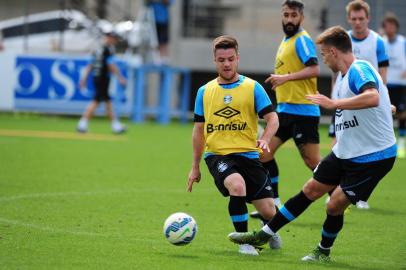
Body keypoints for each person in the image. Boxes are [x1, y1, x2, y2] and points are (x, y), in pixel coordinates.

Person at [228, 26, 397, 262]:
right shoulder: (343, 77)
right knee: (310, 190)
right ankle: (263, 235)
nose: (323, 58)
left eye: (324, 53)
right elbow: (377, 99)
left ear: (334, 52)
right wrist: (384, 108)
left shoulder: (359, 68)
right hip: (346, 152)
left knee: (334, 205)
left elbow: (373, 96)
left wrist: (333, 103)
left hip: (373, 156)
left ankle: (323, 251)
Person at [187, 35, 282, 255]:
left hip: (249, 155)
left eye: (230, 59)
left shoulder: (253, 87)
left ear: (237, 58)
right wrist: (195, 166)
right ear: (215, 61)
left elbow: (273, 119)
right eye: (221, 60)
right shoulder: (204, 91)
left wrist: (265, 139)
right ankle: (245, 242)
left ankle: (269, 230)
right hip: (218, 155)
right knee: (237, 186)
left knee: (269, 211)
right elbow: (198, 131)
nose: (226, 64)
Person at [250, 0, 320, 218]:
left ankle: (341, 193)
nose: (290, 19)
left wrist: (285, 77)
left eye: (294, 15)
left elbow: (315, 68)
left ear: (301, 17)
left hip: (304, 111)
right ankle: (274, 203)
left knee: (313, 162)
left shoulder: (302, 40)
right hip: (285, 111)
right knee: (263, 154)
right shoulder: (286, 40)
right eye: (286, 15)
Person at [327, 0, 390, 210]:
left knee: (363, 144)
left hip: (367, 99)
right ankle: (339, 191)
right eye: (353, 19)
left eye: (361, 18)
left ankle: (358, 193)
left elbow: (382, 74)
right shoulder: (341, 39)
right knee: (338, 143)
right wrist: (333, 96)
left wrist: (384, 102)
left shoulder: (377, 41)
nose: (357, 22)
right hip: (342, 100)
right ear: (348, 19)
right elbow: (335, 74)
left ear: (368, 19)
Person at [77, 31, 127, 134]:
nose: (114, 41)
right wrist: (120, 77)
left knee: (108, 102)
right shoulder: (107, 50)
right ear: (108, 38)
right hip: (103, 79)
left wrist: (84, 79)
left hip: (97, 78)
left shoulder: (97, 49)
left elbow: (90, 65)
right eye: (113, 38)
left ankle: (115, 125)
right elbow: (111, 65)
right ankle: (82, 124)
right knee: (96, 101)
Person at [382, 13, 406, 158]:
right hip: (386, 84)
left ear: (396, 27)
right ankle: (388, 144)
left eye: (392, 25)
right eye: (387, 25)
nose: (389, 28)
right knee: (386, 114)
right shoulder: (381, 41)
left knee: (402, 115)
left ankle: (402, 144)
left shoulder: (403, 42)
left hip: (401, 84)